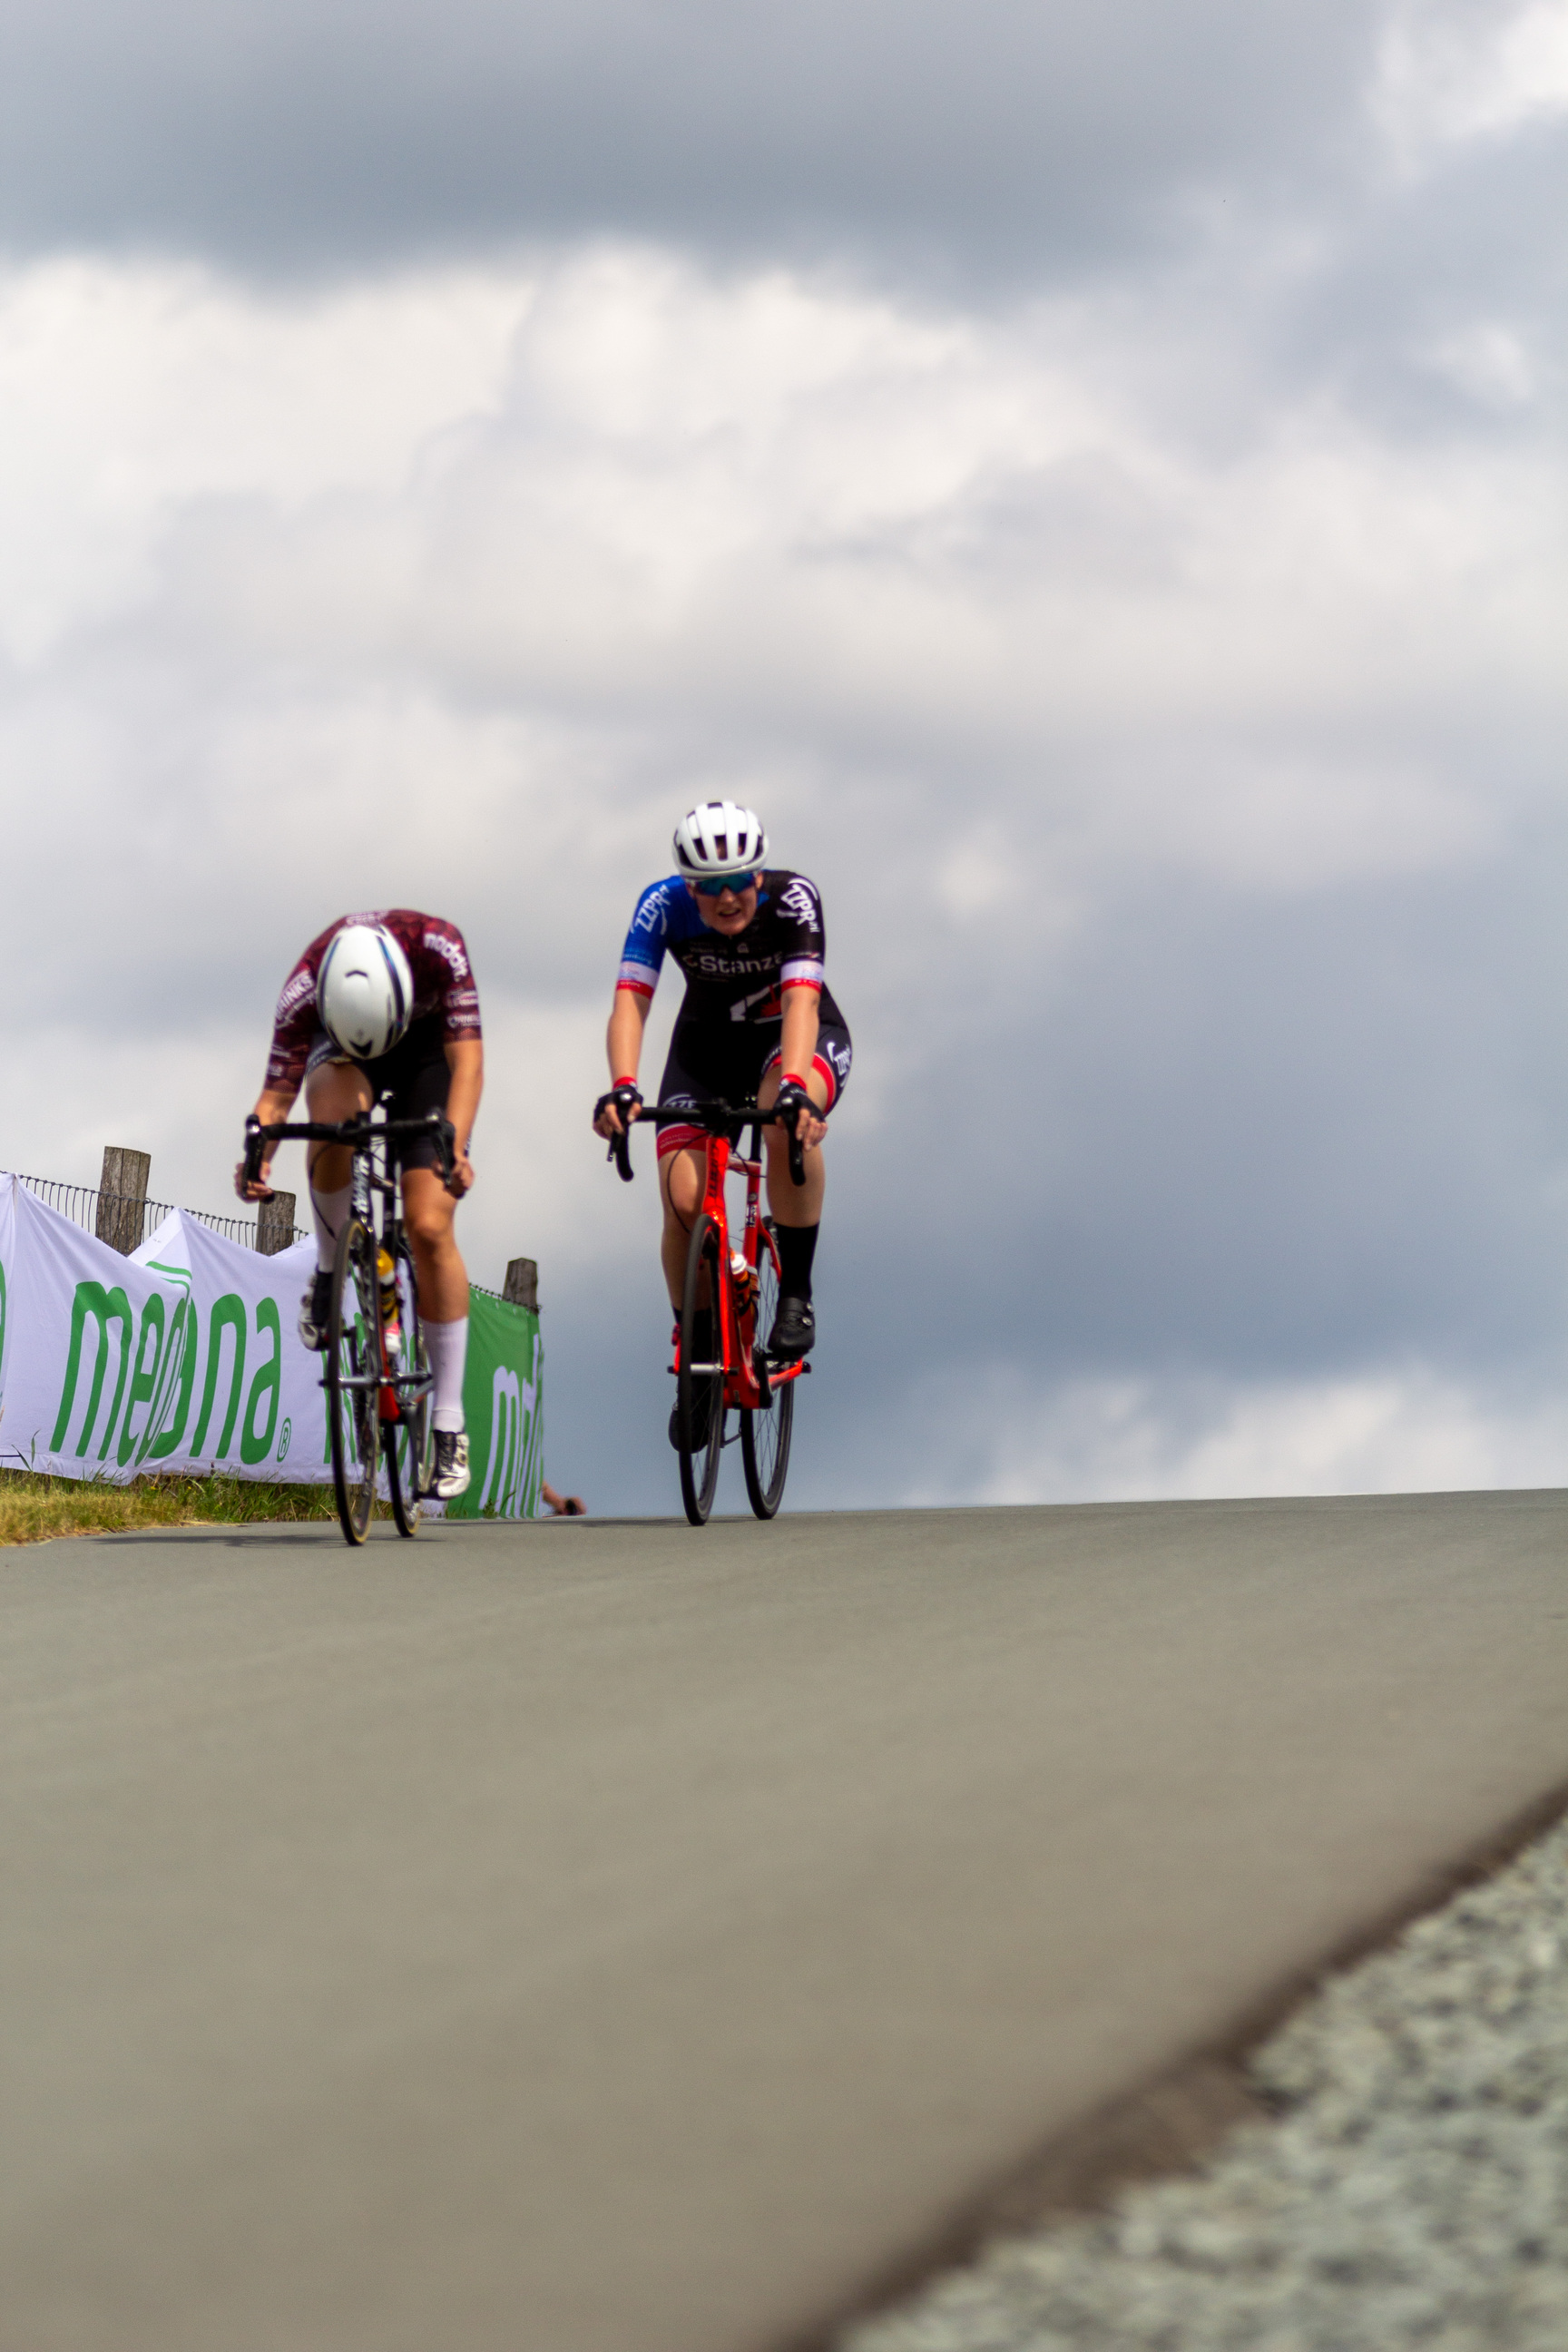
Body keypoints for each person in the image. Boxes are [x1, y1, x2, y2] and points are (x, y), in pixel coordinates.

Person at [593, 802, 851, 1444]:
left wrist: (795, 1089)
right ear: (689, 886)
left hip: (791, 1041)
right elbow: (631, 1001)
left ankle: (794, 1292)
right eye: (710, 887)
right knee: (683, 1202)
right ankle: (700, 1349)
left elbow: (801, 1000)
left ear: (759, 876)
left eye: (741, 881)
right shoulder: (661, 906)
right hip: (704, 1051)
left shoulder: (793, 898)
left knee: (781, 1123)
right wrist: (623, 1087)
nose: (729, 897)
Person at [237, 910, 483, 1500]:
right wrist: (256, 1151)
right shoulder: (304, 988)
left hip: (425, 1054)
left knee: (428, 1223)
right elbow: (275, 1098)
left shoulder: (439, 951)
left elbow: (468, 1065)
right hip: (344, 1052)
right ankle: (329, 1272)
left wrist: (455, 1144)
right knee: (330, 1124)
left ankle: (448, 1422)